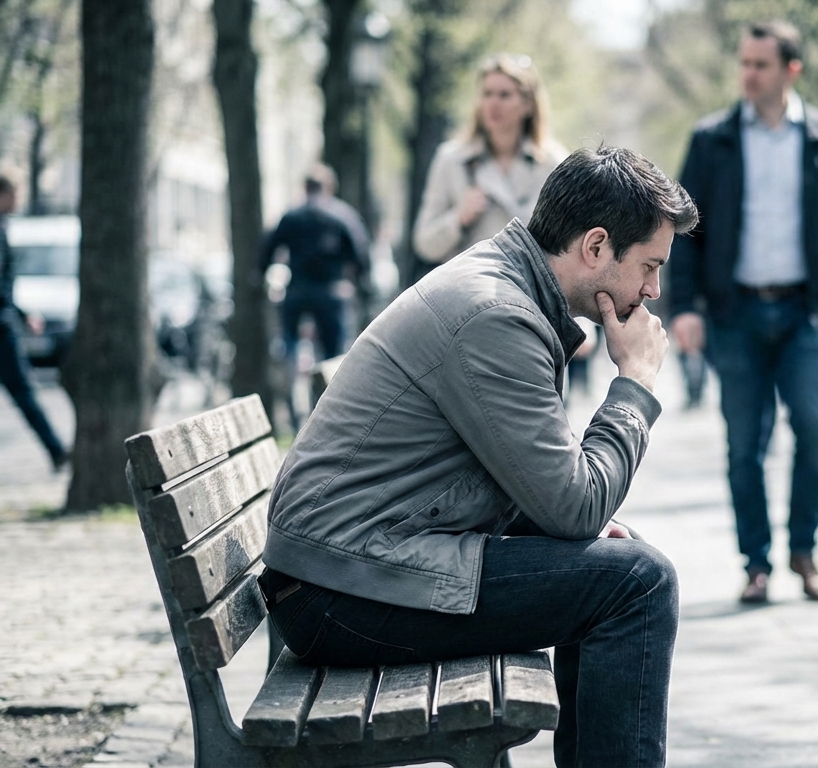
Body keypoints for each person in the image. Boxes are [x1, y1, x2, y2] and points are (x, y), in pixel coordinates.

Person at [260, 146, 698, 768]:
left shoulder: (506, 285)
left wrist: (587, 522)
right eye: (650, 266)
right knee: (637, 584)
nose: (654, 290)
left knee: (621, 561)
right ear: (596, 247)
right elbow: (573, 509)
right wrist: (635, 384)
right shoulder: (498, 315)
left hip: (348, 564)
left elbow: (543, 490)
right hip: (338, 590)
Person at [668, 20, 818, 604]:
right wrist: (683, 306)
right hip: (735, 315)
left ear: (791, 70)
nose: (748, 74)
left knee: (816, 431)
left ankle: (805, 551)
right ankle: (756, 562)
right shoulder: (712, 138)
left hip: (806, 312)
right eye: (743, 63)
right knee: (746, 445)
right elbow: (683, 231)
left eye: (760, 65)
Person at [413, 53, 566, 274]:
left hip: (529, 292)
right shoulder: (452, 159)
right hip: (466, 288)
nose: (493, 104)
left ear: (528, 104)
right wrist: (459, 218)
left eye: (505, 95)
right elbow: (424, 244)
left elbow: (567, 246)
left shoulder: (553, 163)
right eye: (487, 94)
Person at [259, 164, 371, 372]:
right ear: (330, 187)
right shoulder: (343, 215)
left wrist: (260, 274)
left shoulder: (291, 216)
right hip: (332, 290)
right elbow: (361, 252)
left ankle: (292, 382)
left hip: (298, 288)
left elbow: (268, 248)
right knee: (334, 352)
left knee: (289, 342)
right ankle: (327, 389)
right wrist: (362, 282)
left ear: (306, 187)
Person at [0, 174, 66, 472]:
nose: (18, 201)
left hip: (6, 322)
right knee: (23, 392)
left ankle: (56, 450)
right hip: (2, 328)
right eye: (14, 194)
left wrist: (23, 315)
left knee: (23, 392)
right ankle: (56, 450)